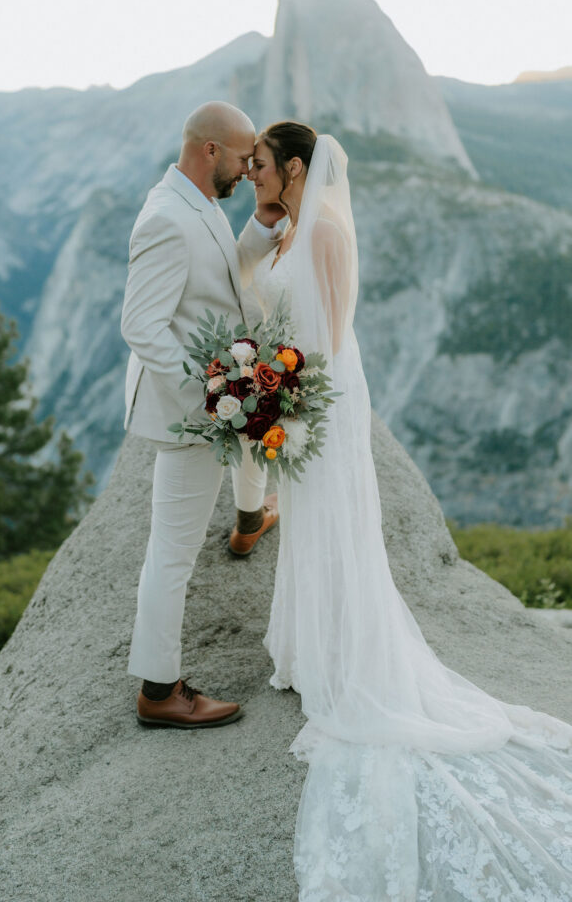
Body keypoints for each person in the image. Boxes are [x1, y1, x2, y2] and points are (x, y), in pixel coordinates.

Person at [247, 121, 572, 900]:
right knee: (310, 529)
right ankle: (310, 644)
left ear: (293, 168)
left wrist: (280, 401)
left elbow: (328, 333)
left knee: (334, 529)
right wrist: (262, 389)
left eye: (259, 166)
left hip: (318, 400)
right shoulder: (286, 230)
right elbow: (263, 287)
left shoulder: (322, 230)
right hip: (293, 397)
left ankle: (349, 658)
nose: (250, 175)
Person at [120, 101, 282, 729]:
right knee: (172, 554)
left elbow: (218, 275)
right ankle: (160, 692)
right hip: (190, 415)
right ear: (211, 150)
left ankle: (250, 516)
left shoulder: (196, 199)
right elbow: (140, 324)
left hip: (213, 394)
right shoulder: (166, 215)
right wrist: (209, 392)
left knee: (254, 440)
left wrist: (263, 229)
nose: (250, 170)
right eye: (245, 158)